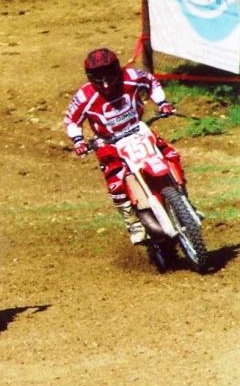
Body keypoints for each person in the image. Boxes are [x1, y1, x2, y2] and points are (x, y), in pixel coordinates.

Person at [64, 48, 182, 245]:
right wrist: (78, 141)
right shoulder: (84, 96)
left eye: (109, 76)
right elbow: (71, 121)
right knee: (116, 179)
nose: (106, 84)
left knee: (170, 154)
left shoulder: (132, 77)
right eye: (98, 79)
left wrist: (162, 103)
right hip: (108, 141)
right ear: (90, 78)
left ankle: (183, 199)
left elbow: (151, 82)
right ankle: (133, 222)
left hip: (138, 130)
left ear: (117, 70)